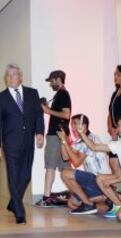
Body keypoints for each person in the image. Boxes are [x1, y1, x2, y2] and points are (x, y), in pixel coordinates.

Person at [0, 64, 44, 224]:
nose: (10, 77)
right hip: (10, 143)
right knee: (13, 176)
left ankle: (13, 202)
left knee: (26, 175)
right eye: (7, 75)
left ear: (20, 77)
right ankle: (20, 213)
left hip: (28, 141)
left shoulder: (32, 93)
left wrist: (40, 132)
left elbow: (38, 115)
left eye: (13, 74)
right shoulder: (0, 98)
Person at [78, 115, 121, 222]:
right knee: (100, 178)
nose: (120, 128)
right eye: (119, 126)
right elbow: (94, 147)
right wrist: (82, 133)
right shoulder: (119, 144)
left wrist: (118, 179)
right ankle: (118, 205)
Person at [57, 114, 111, 215]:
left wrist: (65, 141)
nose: (73, 127)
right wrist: (63, 140)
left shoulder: (89, 139)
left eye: (76, 124)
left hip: (100, 179)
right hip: (92, 181)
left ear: (85, 126)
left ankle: (90, 203)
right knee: (72, 203)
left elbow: (77, 162)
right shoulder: (78, 141)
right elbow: (65, 157)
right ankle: (108, 205)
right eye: (72, 124)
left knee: (65, 173)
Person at [36, 70, 72, 207]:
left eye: (51, 81)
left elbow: (66, 115)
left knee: (50, 166)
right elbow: (61, 114)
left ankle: (46, 198)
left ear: (58, 79)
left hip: (55, 136)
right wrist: (49, 108)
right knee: (65, 169)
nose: (50, 84)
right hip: (59, 136)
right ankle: (75, 195)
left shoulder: (63, 94)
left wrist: (47, 110)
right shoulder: (60, 95)